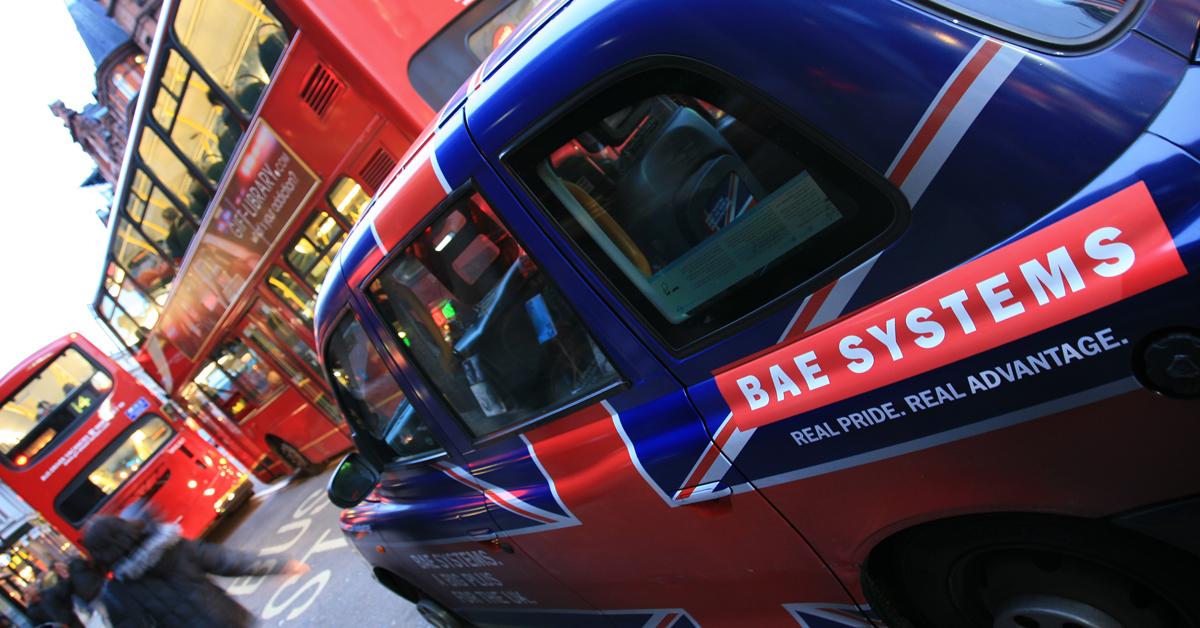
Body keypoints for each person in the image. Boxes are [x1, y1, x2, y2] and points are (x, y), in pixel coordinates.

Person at [81, 516, 307, 628]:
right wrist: (279, 565)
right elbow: (227, 561)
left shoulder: (117, 593)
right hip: (228, 621)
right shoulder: (173, 547)